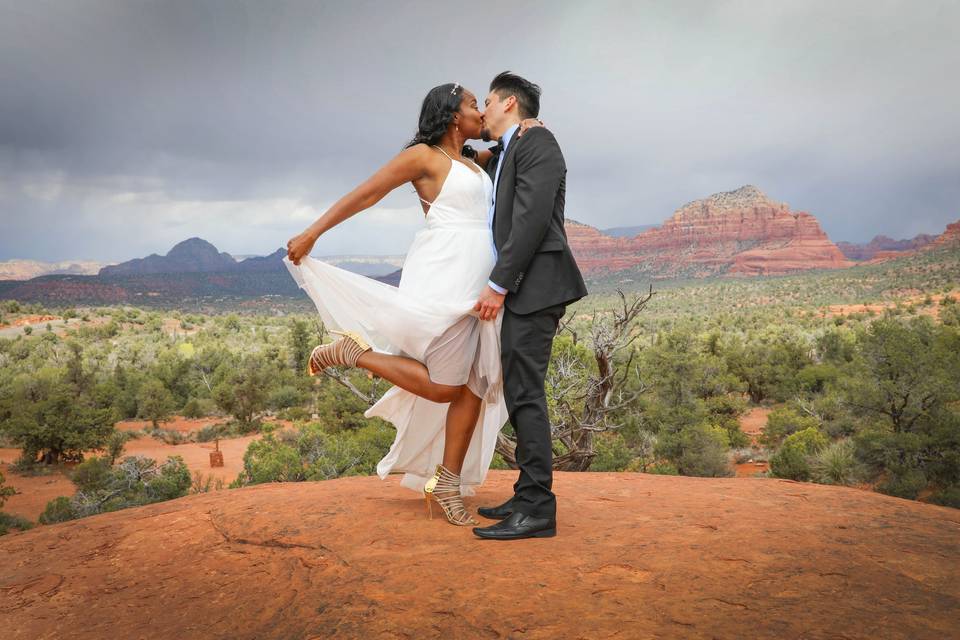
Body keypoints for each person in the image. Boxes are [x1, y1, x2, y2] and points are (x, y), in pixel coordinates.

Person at [284, 82, 541, 526]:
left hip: (480, 288)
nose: (480, 113)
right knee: (445, 387)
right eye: (473, 106)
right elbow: (367, 192)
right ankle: (355, 354)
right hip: (443, 280)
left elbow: (506, 149)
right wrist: (314, 232)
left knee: (476, 385)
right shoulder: (424, 157)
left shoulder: (474, 162)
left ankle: (447, 481)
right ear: (451, 115)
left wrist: (528, 127)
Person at [470, 72, 588, 540]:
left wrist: (499, 285)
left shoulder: (540, 142)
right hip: (527, 287)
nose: (483, 111)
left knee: (527, 394)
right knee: (520, 391)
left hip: (536, 287)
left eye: (489, 101)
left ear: (510, 103)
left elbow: (532, 218)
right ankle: (526, 492)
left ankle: (538, 507)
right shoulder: (512, 147)